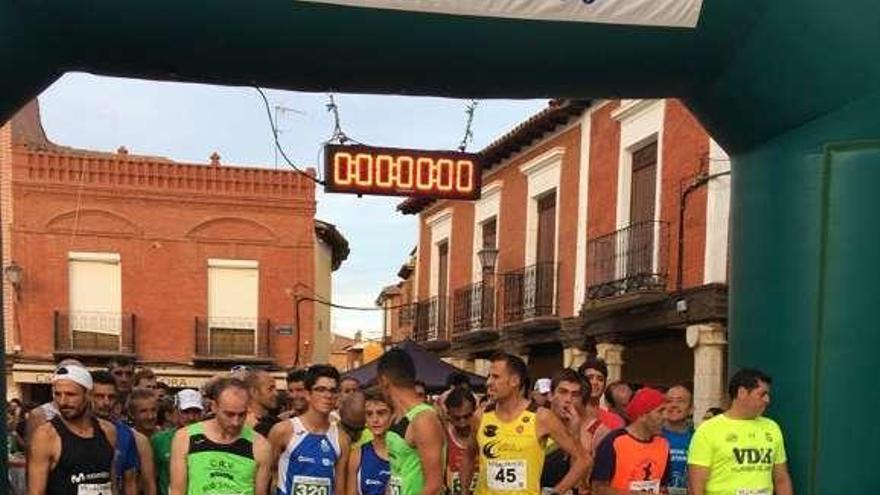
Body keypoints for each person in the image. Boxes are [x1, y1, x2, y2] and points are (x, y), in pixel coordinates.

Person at [463, 353, 590, 495]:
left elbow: (583, 459)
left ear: (514, 381)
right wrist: (464, 491)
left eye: (496, 377)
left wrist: (556, 492)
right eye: (489, 377)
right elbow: (468, 456)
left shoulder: (541, 417)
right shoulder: (480, 416)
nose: (488, 383)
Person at [688, 369, 794, 495]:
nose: (767, 400)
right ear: (742, 393)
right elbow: (696, 486)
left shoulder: (772, 427)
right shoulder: (708, 430)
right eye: (762, 394)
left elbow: (781, 479)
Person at [170, 377, 272, 495]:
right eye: (229, 414)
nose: (236, 422)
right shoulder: (186, 437)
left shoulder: (260, 446)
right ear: (214, 407)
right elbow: (177, 491)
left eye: (242, 415)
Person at [27, 364, 118, 495]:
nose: (63, 401)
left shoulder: (108, 431)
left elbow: (111, 482)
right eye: (58, 394)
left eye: (71, 394)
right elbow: (35, 492)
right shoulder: (46, 435)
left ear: (88, 394)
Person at [270, 364, 350, 495]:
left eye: (332, 390)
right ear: (308, 394)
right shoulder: (283, 431)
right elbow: (268, 474)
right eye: (321, 389)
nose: (327, 395)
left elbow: (340, 490)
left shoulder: (342, 439)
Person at [376, 349, 445, 495]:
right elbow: (397, 472)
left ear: (384, 381)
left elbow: (435, 485)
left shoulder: (424, 419)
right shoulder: (396, 417)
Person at [591, 387, 670, 495]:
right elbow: (597, 488)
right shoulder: (614, 442)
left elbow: (662, 485)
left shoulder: (663, 444)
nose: (666, 416)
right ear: (642, 415)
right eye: (660, 411)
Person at [91, 370, 143, 495]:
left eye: (111, 397)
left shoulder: (126, 434)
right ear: (87, 395)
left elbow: (130, 481)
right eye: (99, 396)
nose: (106, 402)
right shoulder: (67, 431)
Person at [541, 369, 586, 495]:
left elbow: (580, 483)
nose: (568, 399)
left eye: (575, 395)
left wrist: (575, 434)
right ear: (550, 396)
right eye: (563, 392)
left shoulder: (583, 431)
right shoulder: (534, 424)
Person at [153, 389, 204, 495]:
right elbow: (152, 478)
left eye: (196, 412)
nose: (191, 417)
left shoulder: (212, 439)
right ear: (175, 411)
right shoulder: (159, 440)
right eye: (185, 412)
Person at [346, 388, 392, 495]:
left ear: (393, 415)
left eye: (381, 413)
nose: (375, 420)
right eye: (369, 414)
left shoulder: (407, 452)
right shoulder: (357, 455)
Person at [662, 384, 694, 494]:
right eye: (669, 401)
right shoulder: (653, 437)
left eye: (681, 401)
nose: (674, 405)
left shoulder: (699, 438)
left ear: (691, 409)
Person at [444, 387, 477, 495]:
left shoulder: (487, 435)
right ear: (448, 415)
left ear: (476, 412)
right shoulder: (443, 437)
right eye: (457, 418)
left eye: (467, 416)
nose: (463, 423)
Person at [578, 358, 625, 430]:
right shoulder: (569, 416)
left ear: (604, 386)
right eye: (590, 378)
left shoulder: (615, 421)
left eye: (600, 379)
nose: (595, 382)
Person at [243, 368, 280, 437]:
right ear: (253, 392)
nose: (276, 393)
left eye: (275, 389)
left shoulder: (277, 423)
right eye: (270, 388)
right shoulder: (238, 422)